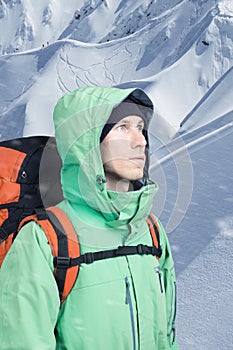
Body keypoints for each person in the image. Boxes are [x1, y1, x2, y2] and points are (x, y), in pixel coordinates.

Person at [0, 86, 178, 349]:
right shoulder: (45, 238)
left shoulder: (150, 230)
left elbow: (167, 338)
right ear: (87, 141)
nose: (140, 140)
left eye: (140, 127)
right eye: (122, 127)